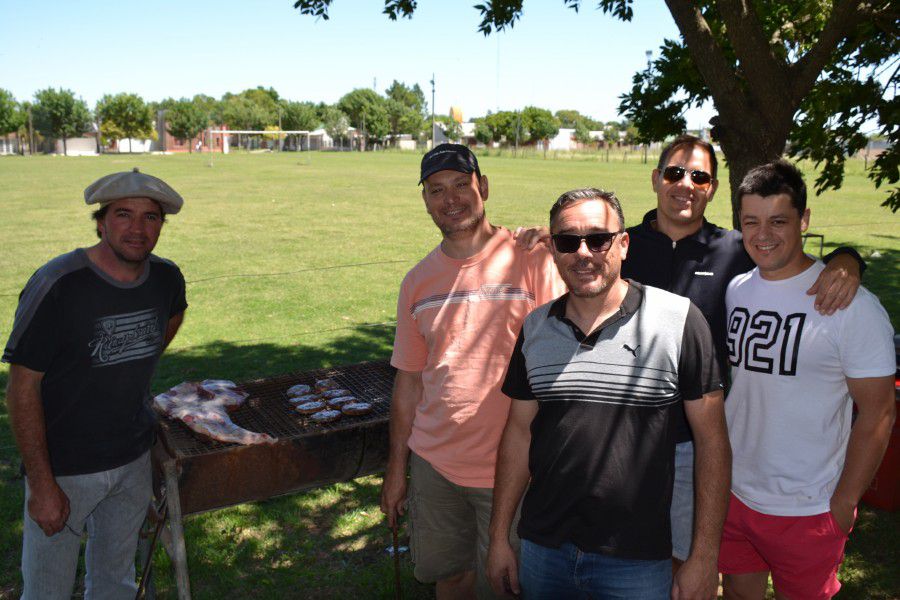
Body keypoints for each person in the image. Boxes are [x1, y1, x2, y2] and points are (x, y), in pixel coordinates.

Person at [612, 134, 863, 569]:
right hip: (624, 437)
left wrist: (848, 258)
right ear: (656, 180)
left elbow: (794, 262)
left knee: (689, 563)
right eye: (674, 173)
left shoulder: (737, 250)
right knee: (622, 556)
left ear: (711, 188)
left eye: (699, 176)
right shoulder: (621, 247)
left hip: (698, 442)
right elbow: (570, 247)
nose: (685, 184)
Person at [487, 188, 731, 599]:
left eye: (598, 238)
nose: (583, 253)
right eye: (567, 241)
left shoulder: (678, 321)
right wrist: (498, 539)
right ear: (554, 250)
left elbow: (713, 444)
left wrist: (704, 556)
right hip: (543, 551)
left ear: (623, 243)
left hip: (636, 560)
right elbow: (518, 434)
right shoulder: (535, 328)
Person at [380, 144, 565, 598]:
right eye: (436, 189)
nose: (451, 198)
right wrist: (396, 469)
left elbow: (565, 359)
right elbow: (409, 381)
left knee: (505, 584)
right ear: (425, 200)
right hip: (434, 466)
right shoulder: (417, 280)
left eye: (461, 184)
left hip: (512, 469)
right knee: (452, 576)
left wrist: (559, 241)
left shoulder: (532, 258)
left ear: (483, 186)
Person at [3, 168, 188, 599]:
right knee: (47, 590)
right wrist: (43, 483)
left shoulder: (166, 278)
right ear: (101, 221)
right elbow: (21, 387)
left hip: (132, 460)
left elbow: (172, 315)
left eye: (151, 218)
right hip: (65, 469)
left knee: (115, 584)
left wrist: (133, 360)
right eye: (124, 215)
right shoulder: (59, 285)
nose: (138, 229)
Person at [719, 160, 895, 599]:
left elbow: (878, 412)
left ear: (805, 219)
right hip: (735, 493)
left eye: (779, 221)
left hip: (810, 506)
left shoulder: (853, 305)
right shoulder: (737, 288)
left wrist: (844, 502)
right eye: (751, 222)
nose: (763, 235)